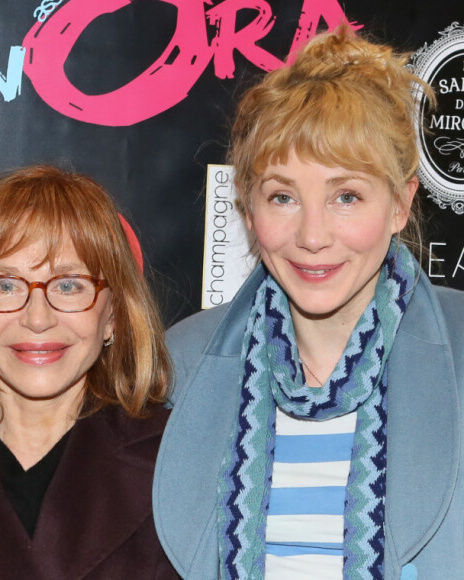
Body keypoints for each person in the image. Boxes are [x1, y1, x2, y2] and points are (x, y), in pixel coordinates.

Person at [153, 24, 464, 580]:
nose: (312, 234)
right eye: (282, 196)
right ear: (248, 210)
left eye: (346, 196)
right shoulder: (180, 365)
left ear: (400, 203)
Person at [0, 165, 180, 579]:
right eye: (5, 285)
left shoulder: (182, 463)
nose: (37, 318)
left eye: (69, 285)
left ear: (112, 314)